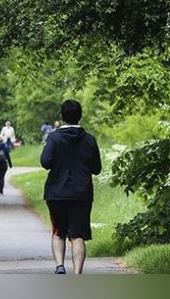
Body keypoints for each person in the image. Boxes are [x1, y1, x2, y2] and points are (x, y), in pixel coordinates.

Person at [40, 99, 101, 274]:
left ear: (63, 116)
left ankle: (60, 266)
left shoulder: (54, 138)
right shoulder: (89, 140)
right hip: (81, 193)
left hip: (56, 193)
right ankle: (77, 273)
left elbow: (45, 162)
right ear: (80, 116)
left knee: (59, 231)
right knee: (78, 234)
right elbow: (96, 169)